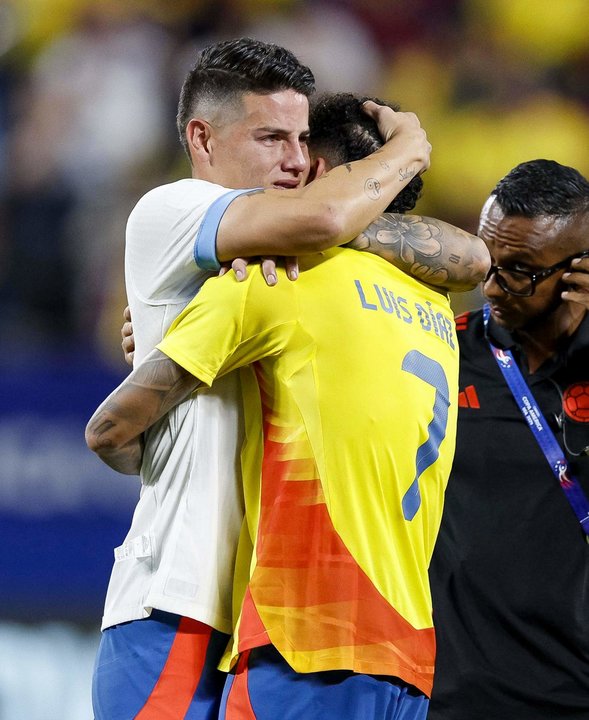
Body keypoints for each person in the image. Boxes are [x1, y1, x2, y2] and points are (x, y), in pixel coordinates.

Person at [88, 36, 441, 720]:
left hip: (262, 616)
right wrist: (406, 152)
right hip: (177, 601)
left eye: (302, 138)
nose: (295, 160)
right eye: (270, 136)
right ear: (203, 137)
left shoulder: (290, 256)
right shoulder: (172, 208)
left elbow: (467, 256)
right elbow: (327, 213)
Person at [427, 159, 589, 720]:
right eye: (487, 262)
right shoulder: (442, 356)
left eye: (520, 270)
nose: (492, 287)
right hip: (455, 699)